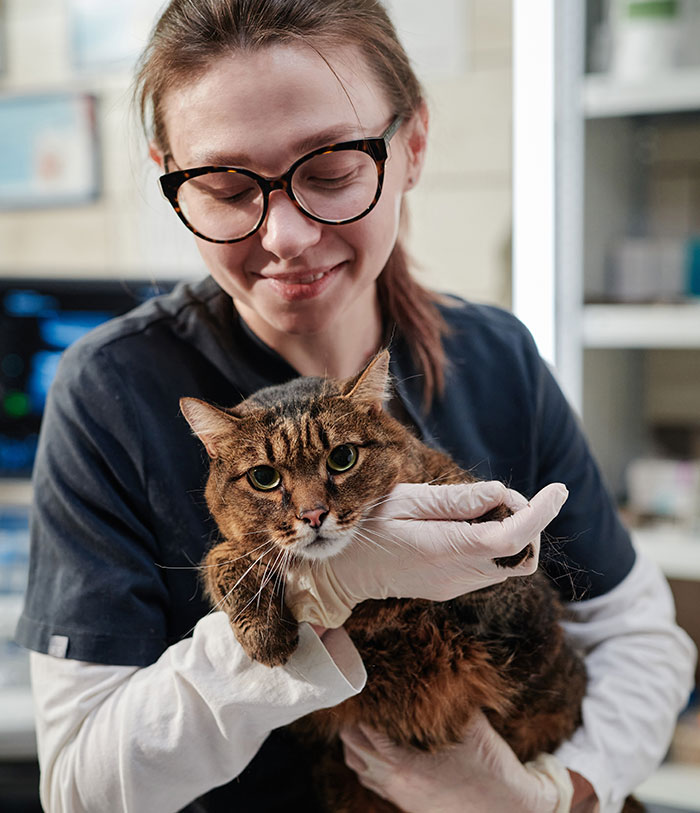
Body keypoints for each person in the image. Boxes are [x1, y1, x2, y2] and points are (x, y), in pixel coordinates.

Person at [15, 1, 695, 811]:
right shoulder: (111, 390)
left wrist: (549, 795)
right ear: (169, 174)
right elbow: (78, 788)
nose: (289, 236)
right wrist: (309, 598)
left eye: (331, 170)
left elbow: (639, 638)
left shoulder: (496, 354)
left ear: (410, 147)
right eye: (228, 186)